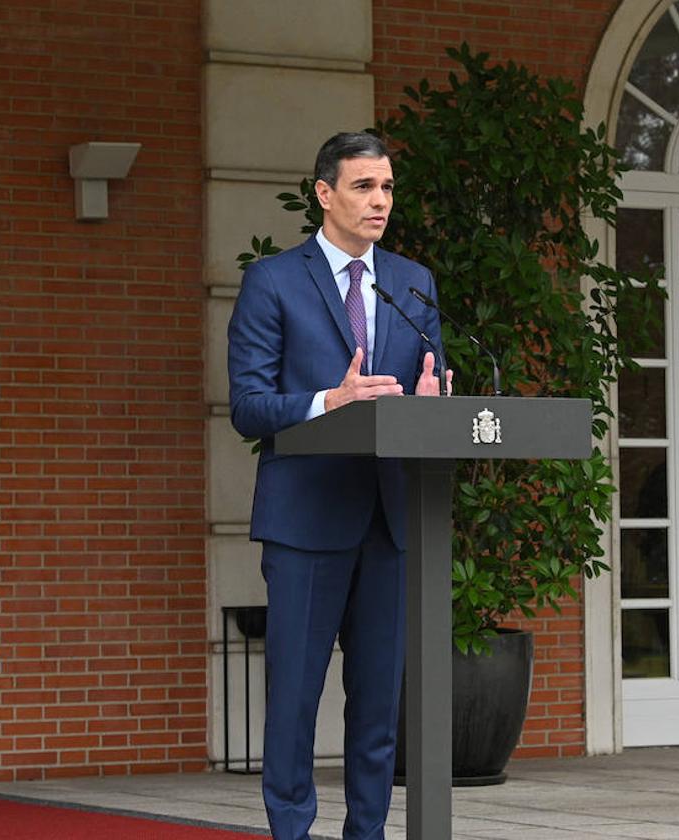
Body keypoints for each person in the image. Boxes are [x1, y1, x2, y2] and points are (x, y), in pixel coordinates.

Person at [228, 131, 451, 840]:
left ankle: (368, 832)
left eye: (386, 187)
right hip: (305, 521)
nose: (379, 201)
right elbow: (249, 407)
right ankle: (290, 831)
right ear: (325, 194)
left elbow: (431, 382)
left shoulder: (413, 281)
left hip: (390, 521)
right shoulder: (273, 281)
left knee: (379, 705)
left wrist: (430, 396)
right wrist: (333, 399)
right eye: (363, 187)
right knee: (293, 699)